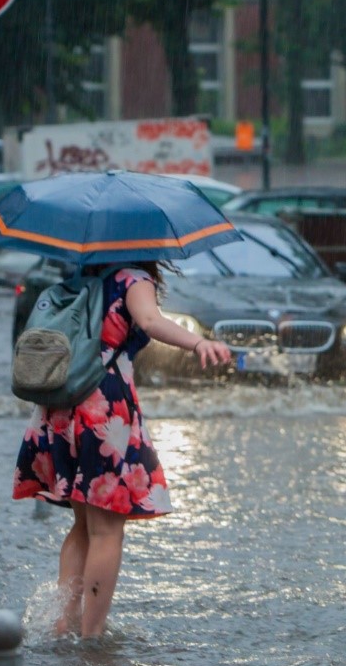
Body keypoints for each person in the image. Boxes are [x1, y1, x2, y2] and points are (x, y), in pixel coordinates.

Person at [12, 262, 233, 637]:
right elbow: (149, 321)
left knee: (82, 526)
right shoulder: (132, 277)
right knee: (107, 531)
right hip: (103, 406)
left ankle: (63, 624)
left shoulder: (81, 275)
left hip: (64, 403)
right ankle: (92, 637)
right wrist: (198, 342)